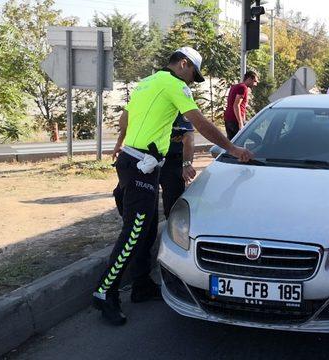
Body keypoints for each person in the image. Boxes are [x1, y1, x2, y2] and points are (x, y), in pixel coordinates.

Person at [95, 46, 252, 326]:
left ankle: (141, 285)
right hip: (142, 165)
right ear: (183, 64)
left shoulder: (147, 82)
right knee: (134, 231)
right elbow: (200, 124)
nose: (192, 80)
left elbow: (124, 119)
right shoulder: (175, 84)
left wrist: (123, 142)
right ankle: (105, 291)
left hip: (138, 162)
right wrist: (231, 147)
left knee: (146, 228)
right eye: (193, 73)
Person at [112, 112, 196, 220]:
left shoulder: (174, 105)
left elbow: (188, 137)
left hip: (171, 161)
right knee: (122, 194)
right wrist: (119, 144)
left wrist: (187, 164)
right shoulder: (142, 100)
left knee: (173, 205)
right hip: (146, 159)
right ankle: (134, 223)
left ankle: (172, 232)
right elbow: (125, 121)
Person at [224, 70, 259, 140]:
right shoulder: (243, 87)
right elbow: (236, 105)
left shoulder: (235, 86)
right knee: (258, 140)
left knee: (232, 144)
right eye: (255, 81)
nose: (255, 85)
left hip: (228, 119)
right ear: (249, 79)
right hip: (235, 121)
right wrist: (240, 123)